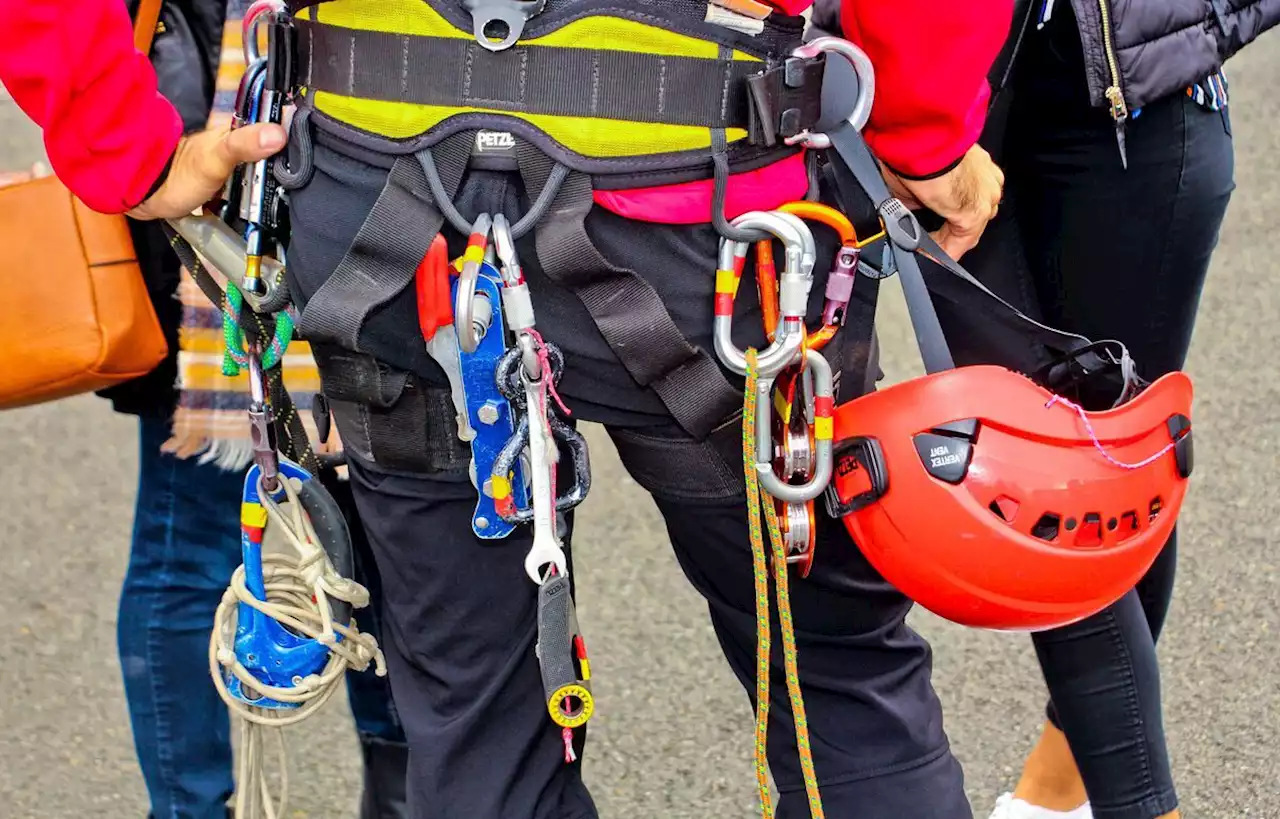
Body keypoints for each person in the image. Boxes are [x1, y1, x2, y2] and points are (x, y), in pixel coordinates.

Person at [0, 1, 1033, 818]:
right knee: (828, 671)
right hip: (708, 212)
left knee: (469, 708)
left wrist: (125, 147)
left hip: (381, 203)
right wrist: (922, 129)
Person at [815, 2, 1276, 819]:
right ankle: (1131, 803)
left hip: (1137, 86)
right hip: (935, 92)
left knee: (1121, 460)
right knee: (1046, 474)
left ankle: (1061, 788)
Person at [0, 1, 409, 817]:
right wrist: (135, 155)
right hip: (223, 148)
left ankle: (404, 795)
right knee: (220, 534)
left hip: (326, 133)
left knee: (396, 533)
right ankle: (198, 806)